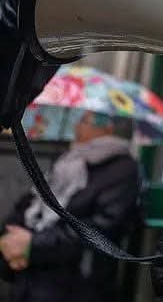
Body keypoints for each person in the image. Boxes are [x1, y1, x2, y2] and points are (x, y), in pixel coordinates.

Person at [0, 109, 141, 302]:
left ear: (107, 128)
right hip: (32, 277)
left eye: (84, 121)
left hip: (75, 286)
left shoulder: (123, 170)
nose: (76, 126)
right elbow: (31, 201)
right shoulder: (70, 160)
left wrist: (32, 244)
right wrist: (11, 238)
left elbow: (100, 230)